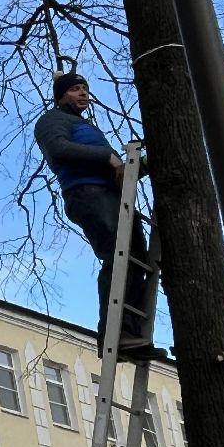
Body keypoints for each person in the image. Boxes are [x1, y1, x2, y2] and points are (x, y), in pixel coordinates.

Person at [34, 72, 166, 361]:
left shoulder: (86, 126)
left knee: (136, 259)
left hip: (110, 194)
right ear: (61, 95)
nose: (83, 94)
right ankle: (114, 334)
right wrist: (107, 158)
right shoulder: (53, 120)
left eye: (85, 89)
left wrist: (136, 167)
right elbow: (58, 149)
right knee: (117, 254)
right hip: (87, 193)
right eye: (75, 89)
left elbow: (116, 170)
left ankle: (131, 334)